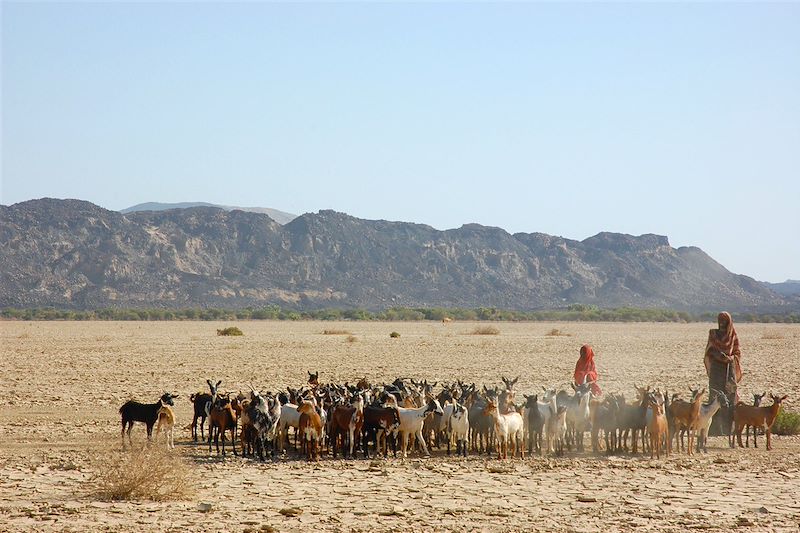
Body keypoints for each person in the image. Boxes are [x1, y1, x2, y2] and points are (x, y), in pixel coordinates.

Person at [704, 311, 742, 436]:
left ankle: (728, 429)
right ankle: (714, 428)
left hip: (729, 369)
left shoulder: (733, 335)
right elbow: (709, 351)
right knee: (715, 395)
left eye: (724, 321)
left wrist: (730, 358)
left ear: (729, 322)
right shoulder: (713, 334)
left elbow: (737, 353)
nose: (721, 323)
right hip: (716, 369)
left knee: (730, 396)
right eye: (720, 320)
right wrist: (719, 355)